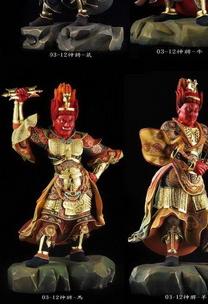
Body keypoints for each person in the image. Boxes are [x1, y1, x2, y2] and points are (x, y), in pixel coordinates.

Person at [128, 78, 208, 267]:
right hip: (174, 177)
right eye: (188, 109)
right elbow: (170, 149)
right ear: (179, 108)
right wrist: (192, 164)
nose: (193, 113)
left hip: (195, 180)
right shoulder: (170, 127)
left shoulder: (203, 130)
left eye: (195, 110)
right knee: (172, 216)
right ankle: (171, 253)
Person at [8, 84, 122, 267]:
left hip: (82, 184)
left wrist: (97, 174)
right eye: (63, 120)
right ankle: (42, 253)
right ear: (55, 119)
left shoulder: (82, 138)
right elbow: (20, 131)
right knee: (49, 216)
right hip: (59, 183)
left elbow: (109, 154)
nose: (67, 124)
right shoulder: (47, 137)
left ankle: (77, 249)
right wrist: (18, 104)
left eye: (71, 120)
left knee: (82, 218)